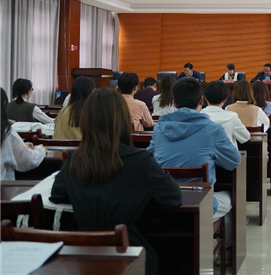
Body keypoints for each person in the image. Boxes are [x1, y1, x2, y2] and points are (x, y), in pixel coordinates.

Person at [50, 88, 181, 275]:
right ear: (122, 121)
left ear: (86, 121)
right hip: (128, 253)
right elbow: (173, 197)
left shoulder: (75, 159)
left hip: (82, 255)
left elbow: (57, 194)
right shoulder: (140, 160)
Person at [147, 77, 241, 260]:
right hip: (201, 203)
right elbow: (234, 161)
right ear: (201, 100)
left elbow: (150, 156)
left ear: (174, 102)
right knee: (231, 197)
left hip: (164, 201)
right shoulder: (212, 129)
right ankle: (225, 253)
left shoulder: (159, 129)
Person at [1, 88, 46, 180]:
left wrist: (20, 146)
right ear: (4, 104)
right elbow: (27, 160)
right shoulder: (5, 132)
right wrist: (41, 150)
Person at [201, 81, 250, 148]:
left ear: (205, 98)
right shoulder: (232, 117)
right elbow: (246, 137)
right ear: (225, 99)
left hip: (205, 154)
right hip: (227, 154)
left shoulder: (198, 117)